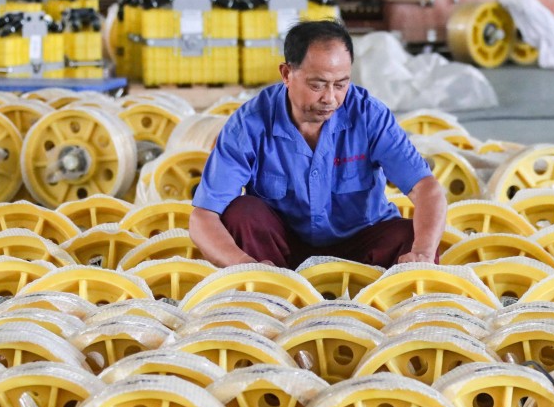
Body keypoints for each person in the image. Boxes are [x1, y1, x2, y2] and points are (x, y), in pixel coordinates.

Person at [189, 20, 447, 270]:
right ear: (287, 74)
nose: (330, 98)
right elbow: (203, 217)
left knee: (410, 236)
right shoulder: (249, 123)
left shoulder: (370, 116)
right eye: (317, 85)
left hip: (361, 244)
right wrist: (243, 265)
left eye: (341, 84)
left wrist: (422, 252)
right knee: (241, 213)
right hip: (280, 252)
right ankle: (270, 295)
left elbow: (426, 188)